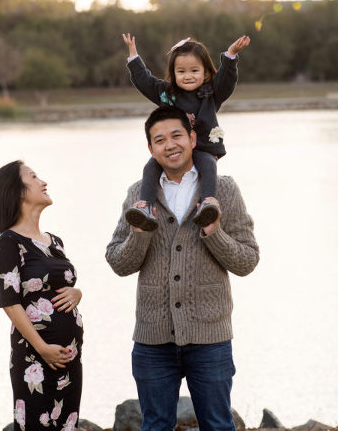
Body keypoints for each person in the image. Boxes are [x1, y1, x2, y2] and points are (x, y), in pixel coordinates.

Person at [105, 106, 259, 431]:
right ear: (150, 149)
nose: (169, 145)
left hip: (211, 339)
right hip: (152, 341)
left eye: (176, 135)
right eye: (159, 140)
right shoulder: (139, 195)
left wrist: (213, 232)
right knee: (155, 426)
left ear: (192, 138)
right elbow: (119, 262)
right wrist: (140, 237)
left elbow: (247, 261)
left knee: (218, 426)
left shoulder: (223, 190)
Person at [0, 160, 84, 431]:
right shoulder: (8, 242)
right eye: (34, 176)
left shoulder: (55, 241)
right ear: (18, 192)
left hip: (70, 358)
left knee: (67, 427)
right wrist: (42, 348)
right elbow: (10, 302)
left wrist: (78, 292)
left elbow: (63, 284)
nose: (43, 181)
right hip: (35, 359)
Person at [121, 33, 250, 232]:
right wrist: (133, 58)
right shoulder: (167, 94)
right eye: (181, 71)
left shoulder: (211, 93)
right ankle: (145, 207)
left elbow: (226, 79)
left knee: (208, 166)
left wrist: (231, 56)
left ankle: (208, 204)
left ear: (206, 73)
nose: (188, 76)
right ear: (173, 73)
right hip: (174, 150)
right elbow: (145, 81)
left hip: (204, 148)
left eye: (194, 70)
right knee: (150, 167)